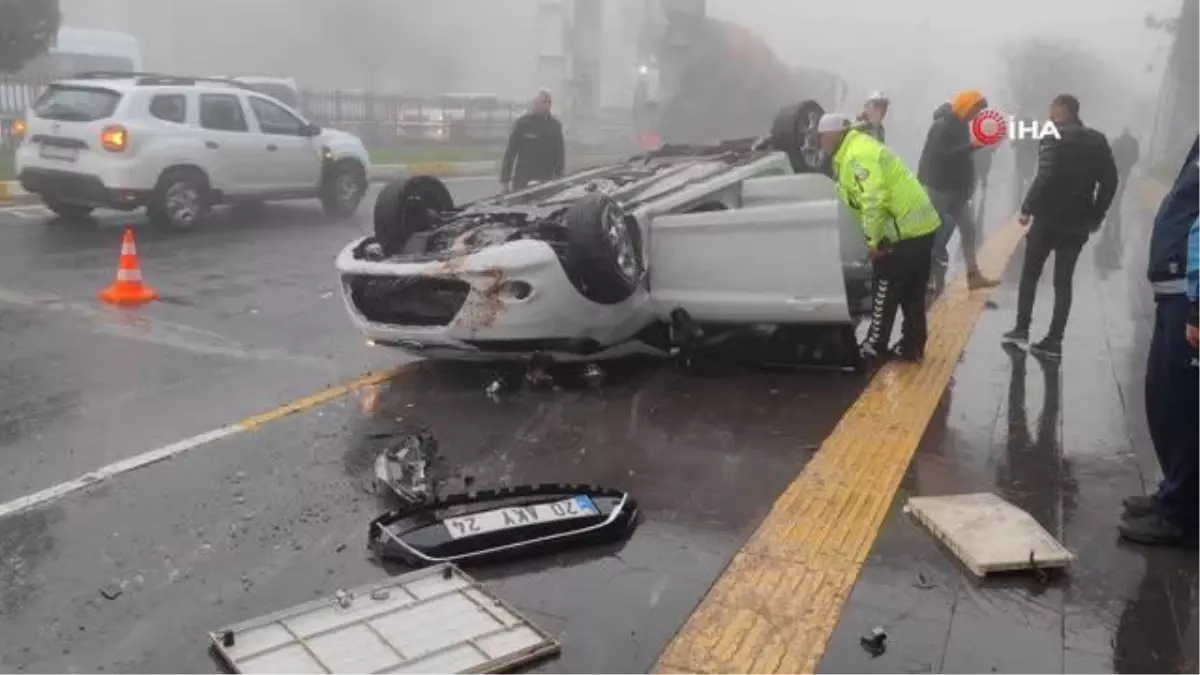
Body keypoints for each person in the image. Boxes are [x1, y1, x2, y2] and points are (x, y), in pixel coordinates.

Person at [1117, 133, 1200, 546]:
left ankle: (1183, 513)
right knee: (1163, 396)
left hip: (1191, 294)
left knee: (1187, 408)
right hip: (1175, 288)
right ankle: (1173, 492)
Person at [1002, 94, 1119, 359]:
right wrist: (1096, 216)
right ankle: (1054, 340)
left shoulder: (1052, 134)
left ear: (1062, 110)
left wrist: (1026, 208)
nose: (1050, 112)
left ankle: (1022, 329)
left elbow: (1045, 174)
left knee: (1030, 274)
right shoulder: (1097, 140)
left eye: (1052, 107)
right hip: (1077, 224)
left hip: (1047, 219)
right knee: (1063, 282)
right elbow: (1110, 181)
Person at [818, 112, 941, 363]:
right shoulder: (858, 147)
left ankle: (876, 344)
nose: (821, 143)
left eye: (822, 137)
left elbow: (874, 199)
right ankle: (912, 345)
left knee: (884, 285)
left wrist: (873, 242)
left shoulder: (856, 155)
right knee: (912, 293)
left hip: (902, 230)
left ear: (834, 135)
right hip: (921, 225)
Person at [918, 89, 1000, 295]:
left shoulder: (963, 125)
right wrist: (971, 146)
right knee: (930, 235)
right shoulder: (941, 127)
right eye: (975, 110)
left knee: (968, 230)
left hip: (957, 192)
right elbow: (940, 156)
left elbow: (962, 157)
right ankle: (924, 277)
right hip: (939, 189)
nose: (976, 115)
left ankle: (973, 275)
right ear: (965, 105)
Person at [500, 89, 565, 192]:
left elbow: (560, 155)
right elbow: (510, 153)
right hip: (523, 181)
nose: (545, 105)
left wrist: (559, 178)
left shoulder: (555, 126)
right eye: (541, 101)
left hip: (546, 181)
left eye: (547, 102)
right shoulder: (523, 124)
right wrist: (505, 180)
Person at [1107, 128, 1141, 238]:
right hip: (1126, 166)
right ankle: (1118, 197)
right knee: (1122, 183)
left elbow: (1112, 152)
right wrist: (1131, 163)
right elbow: (1136, 155)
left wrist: (1112, 162)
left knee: (1115, 181)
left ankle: (1113, 195)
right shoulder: (1133, 142)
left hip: (1118, 165)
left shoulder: (1119, 141)